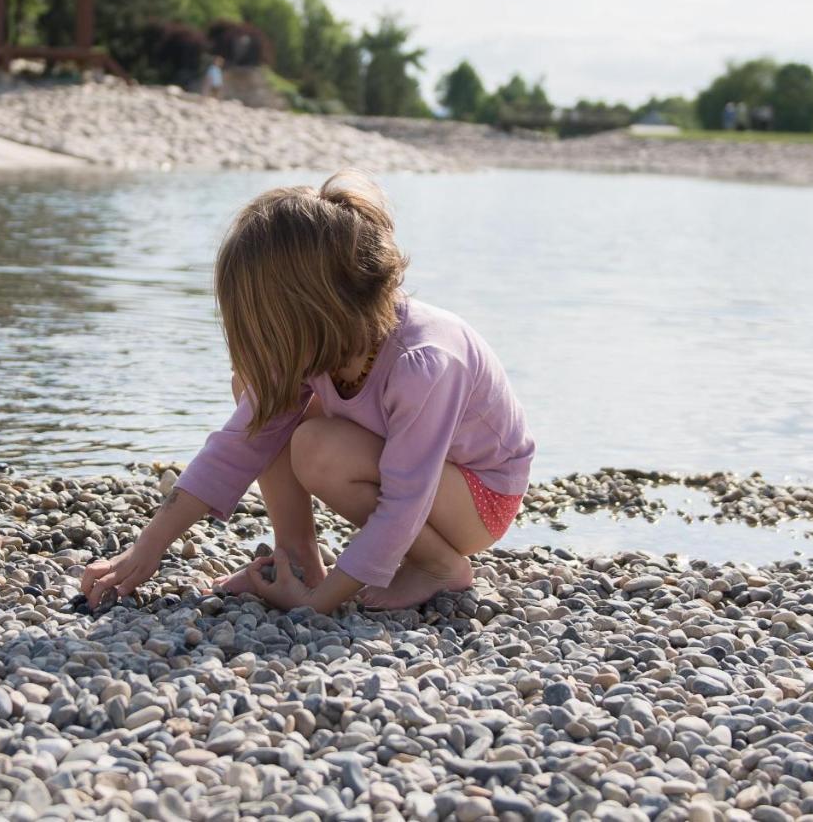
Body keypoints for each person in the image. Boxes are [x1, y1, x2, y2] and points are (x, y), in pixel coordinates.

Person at [81, 171, 536, 613]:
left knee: (320, 448)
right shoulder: (327, 344)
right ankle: (296, 560)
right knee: (256, 388)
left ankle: (439, 566)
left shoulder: (425, 361)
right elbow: (236, 447)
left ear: (311, 310)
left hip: (480, 497)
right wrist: (146, 548)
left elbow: (405, 499)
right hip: (422, 477)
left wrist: (318, 605)